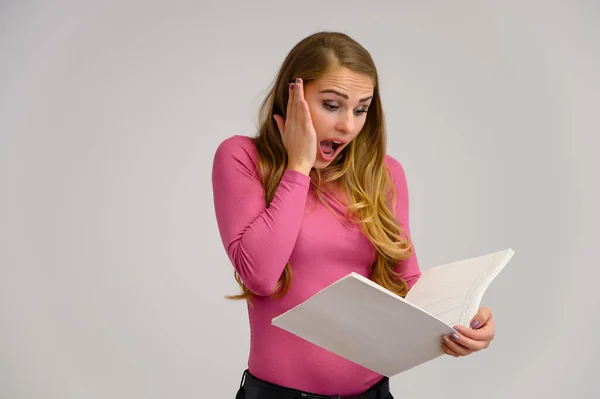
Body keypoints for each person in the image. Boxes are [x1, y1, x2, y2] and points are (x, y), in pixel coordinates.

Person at [212, 31, 496, 399]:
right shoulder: (243, 158)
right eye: (332, 105)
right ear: (292, 97)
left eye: (361, 109)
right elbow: (261, 276)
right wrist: (298, 167)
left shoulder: (384, 173)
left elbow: (405, 286)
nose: (348, 126)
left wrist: (466, 322)